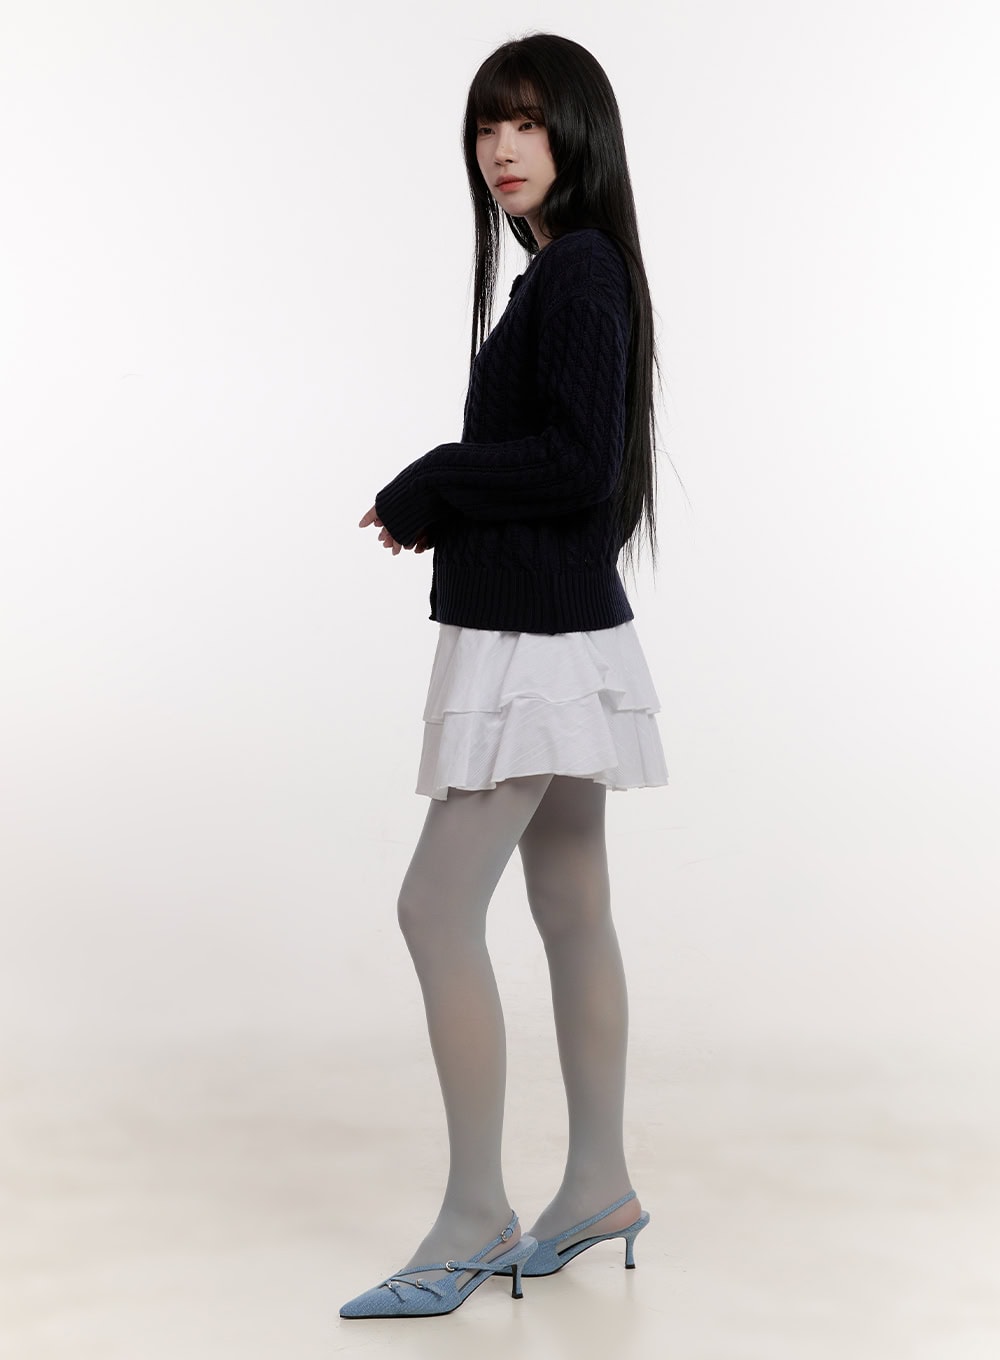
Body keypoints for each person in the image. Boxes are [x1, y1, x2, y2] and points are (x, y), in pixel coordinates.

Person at [340, 32, 668, 1320]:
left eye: (527, 122)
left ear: (576, 132)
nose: (501, 149)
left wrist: (436, 478)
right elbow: (572, 465)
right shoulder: (571, 272)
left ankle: (477, 1211)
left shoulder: (577, 272)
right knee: (572, 903)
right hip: (560, 632)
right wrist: (458, 499)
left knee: (435, 910)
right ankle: (599, 1185)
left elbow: (578, 463)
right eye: (487, 126)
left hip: (536, 649)